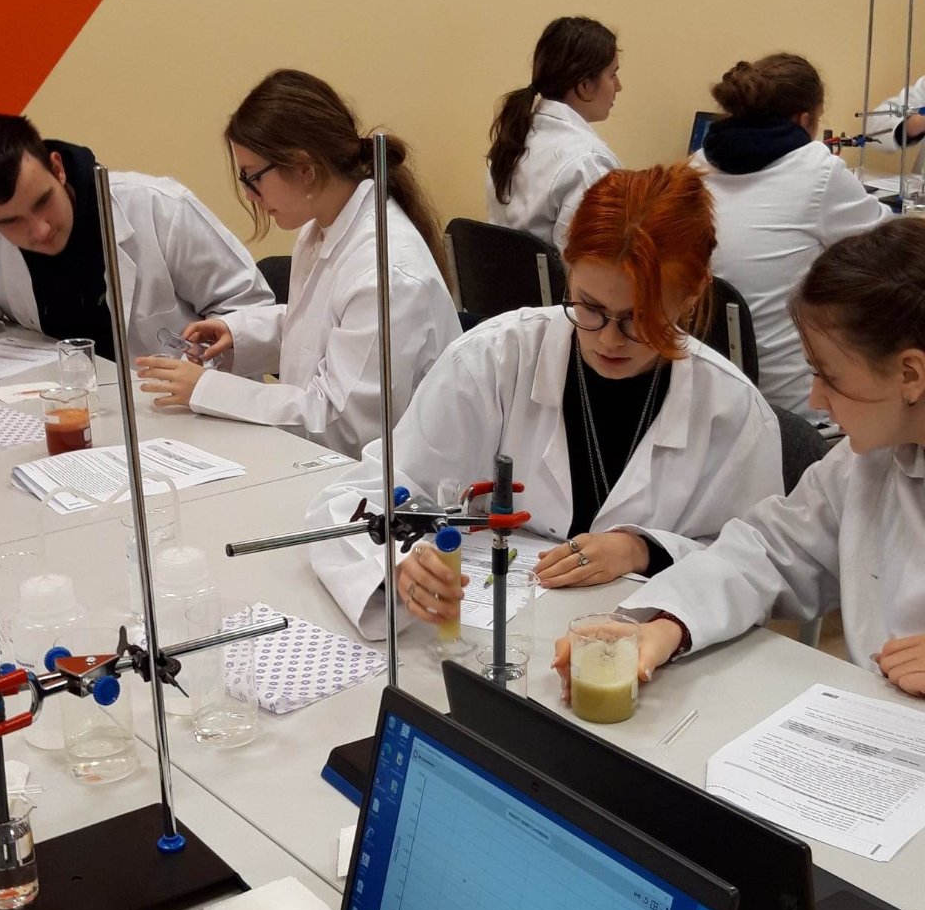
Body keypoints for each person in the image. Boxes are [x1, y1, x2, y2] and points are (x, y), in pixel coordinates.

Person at [307, 164, 783, 640]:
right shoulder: (493, 359)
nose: (609, 340)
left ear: (692, 296)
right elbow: (356, 501)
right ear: (567, 271)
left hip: (637, 654)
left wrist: (644, 550)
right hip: (487, 636)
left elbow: (756, 565)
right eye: (589, 307)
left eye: (639, 319)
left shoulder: (732, 410)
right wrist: (399, 563)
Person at [553, 217, 925, 700]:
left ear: (910, 375)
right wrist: (665, 628)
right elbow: (766, 554)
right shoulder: (865, 465)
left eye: (830, 378)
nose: (815, 400)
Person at [136, 70, 461, 458]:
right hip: (328, 462)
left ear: (305, 168)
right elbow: (322, 327)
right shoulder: (321, 227)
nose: (249, 195)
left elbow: (342, 426)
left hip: (390, 474)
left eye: (252, 178)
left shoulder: (385, 273)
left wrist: (206, 389)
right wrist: (240, 333)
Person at [0, 113, 274, 359]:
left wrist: (202, 373)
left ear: (57, 169)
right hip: (64, 398)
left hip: (184, 405)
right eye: (11, 221)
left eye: (43, 202)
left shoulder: (160, 208)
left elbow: (251, 310)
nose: (40, 230)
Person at [694, 54, 891, 422]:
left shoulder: (697, 164)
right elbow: (888, 245)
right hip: (795, 408)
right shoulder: (816, 169)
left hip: (709, 394)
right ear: (804, 120)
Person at [485, 16, 622, 254]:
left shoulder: (514, 140)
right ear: (584, 86)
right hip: (557, 280)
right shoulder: (587, 164)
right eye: (613, 75)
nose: (619, 86)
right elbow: (591, 267)